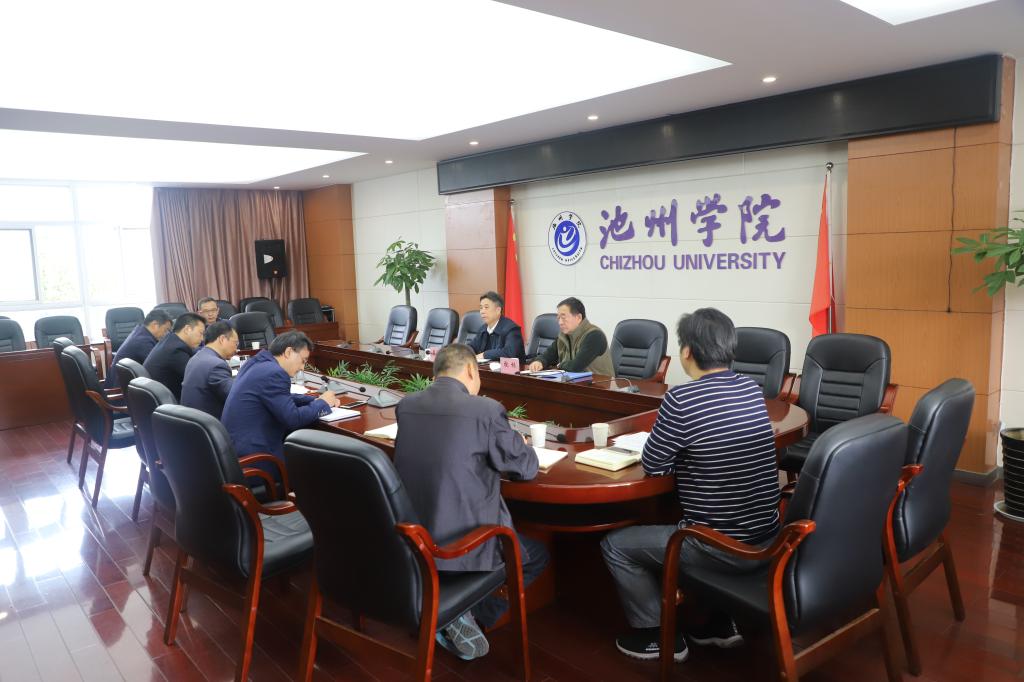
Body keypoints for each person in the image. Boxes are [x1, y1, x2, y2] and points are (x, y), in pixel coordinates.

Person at [600, 308, 781, 664]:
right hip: (768, 539)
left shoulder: (682, 400)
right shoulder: (750, 388)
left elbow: (654, 464)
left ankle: (658, 636)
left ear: (686, 352)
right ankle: (720, 622)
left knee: (615, 545)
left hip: (720, 548)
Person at [393, 343, 548, 661]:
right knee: (535, 556)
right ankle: (465, 614)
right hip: (462, 544)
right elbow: (525, 468)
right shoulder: (485, 410)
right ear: (470, 370)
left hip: (415, 540)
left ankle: (454, 613)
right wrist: (520, 444)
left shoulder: (407, 406)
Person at [221, 331, 340, 463]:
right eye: (303, 361)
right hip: (257, 459)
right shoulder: (274, 373)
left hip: (236, 452)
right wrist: (322, 403)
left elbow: (279, 397)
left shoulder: (256, 363)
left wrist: (314, 399)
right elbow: (293, 419)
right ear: (288, 352)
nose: (302, 367)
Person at [527, 297, 613, 375]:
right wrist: (539, 362)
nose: (560, 322)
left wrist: (560, 365)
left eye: (563, 317)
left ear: (578, 317)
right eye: (558, 318)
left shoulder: (594, 336)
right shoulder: (563, 336)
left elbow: (576, 366)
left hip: (598, 385)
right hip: (573, 383)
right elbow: (548, 355)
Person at [181, 320, 238, 419]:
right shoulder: (217, 365)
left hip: (193, 420)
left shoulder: (197, 356)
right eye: (236, 343)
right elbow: (235, 396)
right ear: (222, 339)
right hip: (210, 422)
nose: (236, 349)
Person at [103, 308, 173, 388]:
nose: (166, 334)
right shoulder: (143, 342)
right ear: (155, 325)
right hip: (120, 390)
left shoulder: (141, 331)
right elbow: (158, 367)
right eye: (165, 330)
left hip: (125, 385)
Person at [142, 313, 205, 400]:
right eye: (201, 333)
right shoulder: (176, 351)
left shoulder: (171, 339)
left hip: (156, 397)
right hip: (168, 402)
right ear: (187, 329)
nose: (202, 339)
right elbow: (197, 378)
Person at [469, 291, 525, 362]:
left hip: (511, 369)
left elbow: (510, 352)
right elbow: (472, 346)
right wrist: (465, 352)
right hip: (487, 367)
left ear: (498, 310)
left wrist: (484, 355)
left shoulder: (511, 329)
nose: (482, 311)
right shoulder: (483, 329)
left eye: (486, 307)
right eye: (481, 308)